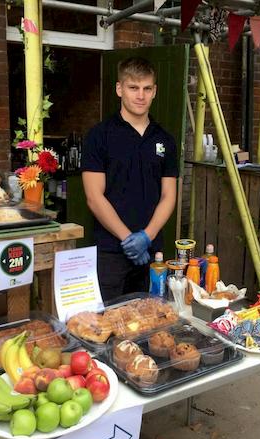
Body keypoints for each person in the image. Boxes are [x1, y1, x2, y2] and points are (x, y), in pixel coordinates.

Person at [81, 57, 178, 304]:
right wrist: (127, 238)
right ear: (119, 88)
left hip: (152, 253)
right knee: (108, 323)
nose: (140, 95)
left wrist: (146, 236)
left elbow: (169, 195)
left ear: (154, 91)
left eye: (147, 88)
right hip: (111, 251)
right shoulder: (99, 136)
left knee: (148, 321)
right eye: (133, 87)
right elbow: (94, 197)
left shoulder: (165, 140)